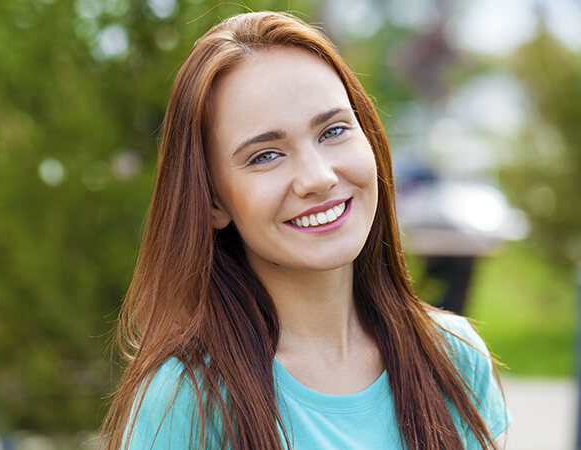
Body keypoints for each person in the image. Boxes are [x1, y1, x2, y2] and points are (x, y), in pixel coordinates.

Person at [99, 11, 510, 450]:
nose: (318, 177)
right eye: (265, 156)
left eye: (333, 130)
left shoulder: (454, 358)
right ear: (214, 201)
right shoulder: (188, 400)